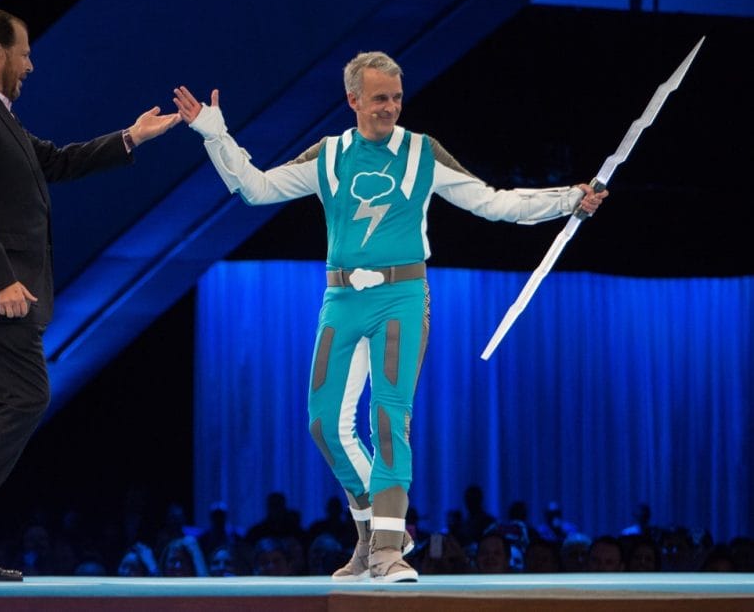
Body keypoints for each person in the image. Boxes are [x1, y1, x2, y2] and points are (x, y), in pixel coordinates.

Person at [173, 51, 607, 583]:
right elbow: (256, 188)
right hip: (342, 299)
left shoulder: (422, 152)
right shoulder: (329, 156)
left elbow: (492, 202)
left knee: (388, 418)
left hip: (402, 296)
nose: (391, 107)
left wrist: (567, 199)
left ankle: (386, 549)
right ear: (353, 99)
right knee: (324, 424)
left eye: (397, 97)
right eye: (380, 98)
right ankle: (374, 534)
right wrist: (212, 131)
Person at [0, 9, 180, 581]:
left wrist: (130, 138)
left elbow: (54, 161)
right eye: (24, 52)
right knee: (26, 396)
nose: (31, 63)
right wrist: (0, 279)